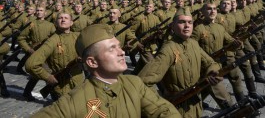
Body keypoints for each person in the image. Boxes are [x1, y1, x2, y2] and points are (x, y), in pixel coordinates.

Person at [31, 24, 181, 118]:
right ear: (92, 62)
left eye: (119, 46)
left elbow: (163, 110)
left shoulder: (134, 84)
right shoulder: (74, 101)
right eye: (112, 48)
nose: (122, 52)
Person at [138, 7, 222, 117]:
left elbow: (211, 63)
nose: (187, 26)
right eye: (182, 22)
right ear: (173, 26)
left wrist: (211, 72)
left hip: (196, 106)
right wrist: (160, 105)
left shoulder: (193, 44)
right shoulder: (168, 49)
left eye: (190, 22)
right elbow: (142, 82)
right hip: (176, 109)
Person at [26, 12, 84, 101]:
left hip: (79, 84)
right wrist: (48, 77)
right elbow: (31, 64)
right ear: (56, 23)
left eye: (66, 18)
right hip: (62, 88)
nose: (63, 19)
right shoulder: (52, 41)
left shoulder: (78, 37)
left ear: (71, 23)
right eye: (60, 18)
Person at [17, 5, 56, 101]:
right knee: (47, 73)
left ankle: (26, 92)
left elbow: (55, 38)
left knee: (37, 75)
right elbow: (21, 38)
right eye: (37, 10)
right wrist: (29, 50)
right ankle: (55, 97)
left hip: (47, 53)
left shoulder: (50, 25)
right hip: (35, 52)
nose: (39, 12)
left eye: (41, 10)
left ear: (45, 13)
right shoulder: (31, 24)